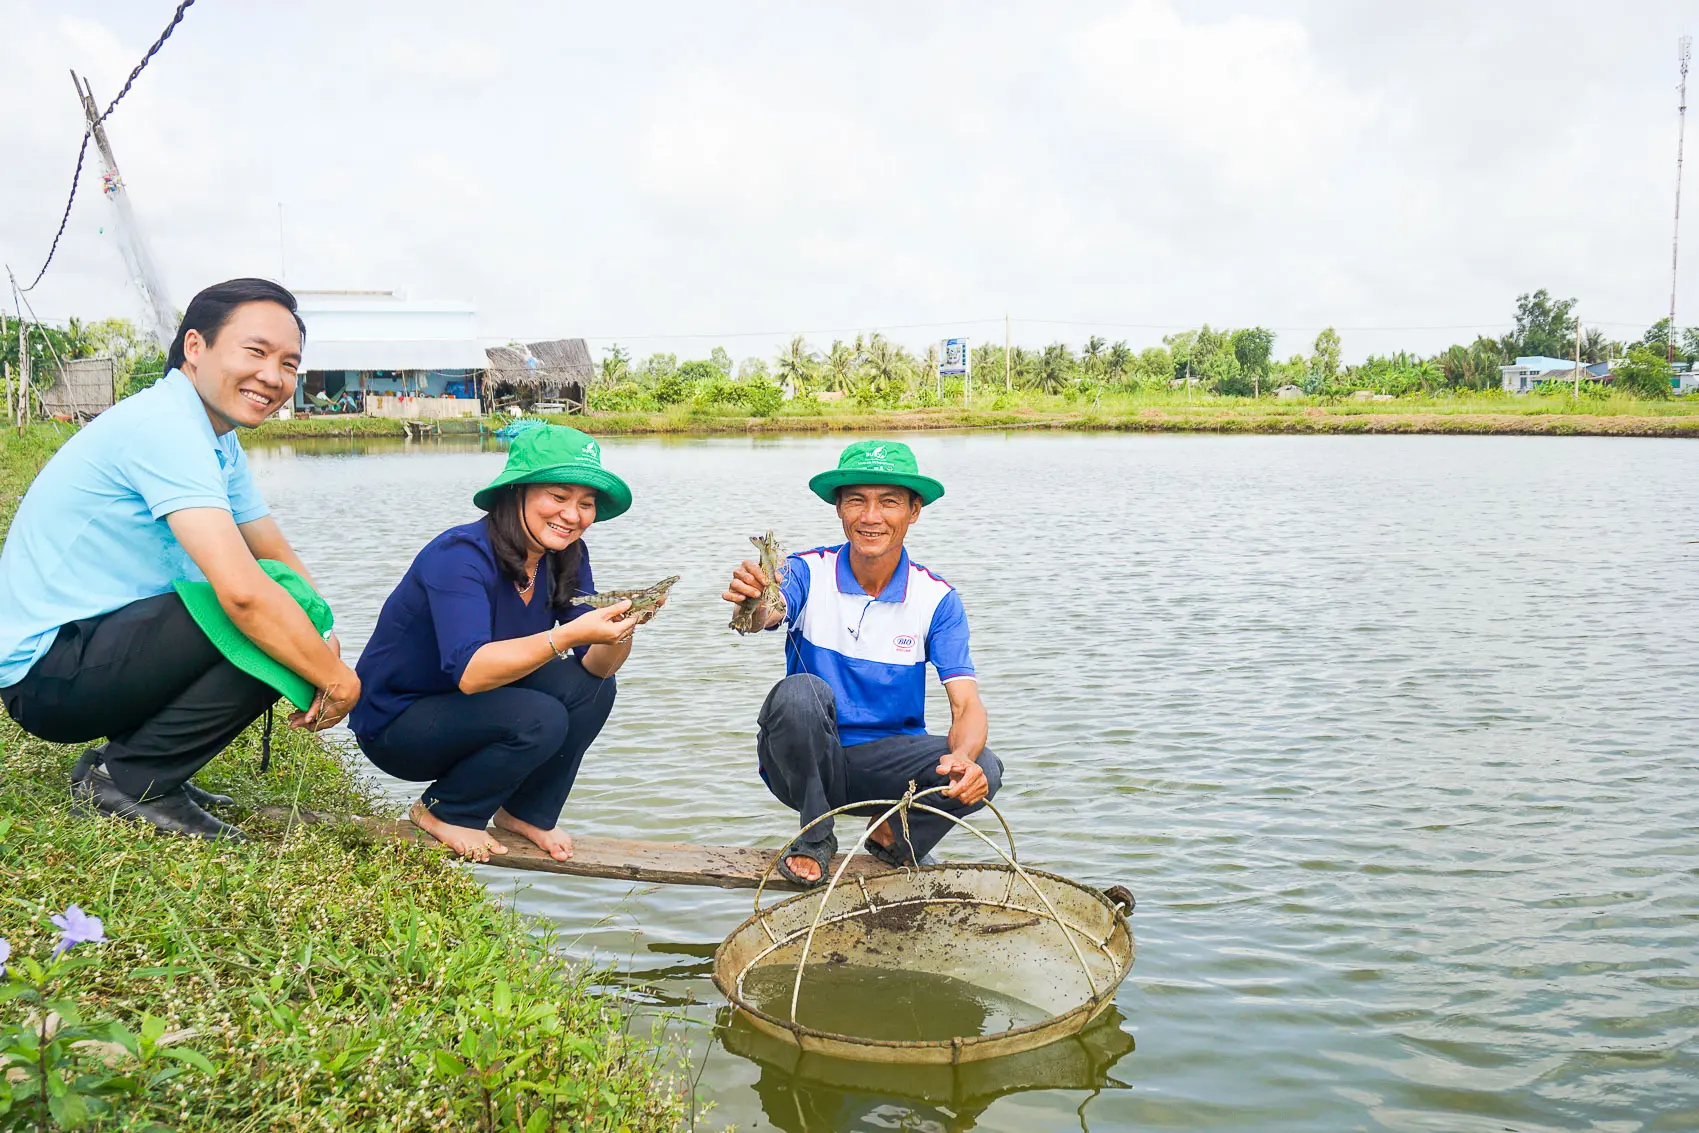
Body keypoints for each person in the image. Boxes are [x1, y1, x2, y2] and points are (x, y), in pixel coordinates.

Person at [0, 278, 357, 840]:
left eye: (289, 363)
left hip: (93, 648)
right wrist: (335, 677)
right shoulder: (164, 426)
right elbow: (242, 591)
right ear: (196, 347)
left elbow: (271, 549)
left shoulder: (214, 436)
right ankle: (130, 780)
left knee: (290, 612)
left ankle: (143, 763)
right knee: (265, 613)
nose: (274, 377)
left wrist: (323, 628)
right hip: (48, 674)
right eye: (256, 352)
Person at [349, 425, 650, 862]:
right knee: (540, 716)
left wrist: (622, 629)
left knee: (594, 690)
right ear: (516, 493)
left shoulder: (566, 554)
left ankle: (527, 811)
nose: (573, 515)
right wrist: (566, 634)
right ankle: (444, 811)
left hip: (477, 706)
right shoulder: (460, 555)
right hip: (398, 723)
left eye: (586, 504)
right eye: (559, 496)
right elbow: (472, 674)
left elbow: (597, 667)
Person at [722, 439, 1003, 885]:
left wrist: (965, 759)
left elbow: (966, 705)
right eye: (857, 501)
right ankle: (815, 836)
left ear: (914, 511)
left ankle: (893, 838)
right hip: (803, 760)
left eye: (888, 502)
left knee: (985, 765)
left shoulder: (937, 600)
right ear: (839, 509)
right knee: (800, 693)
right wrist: (753, 602)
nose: (870, 517)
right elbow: (765, 614)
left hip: (887, 769)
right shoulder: (806, 572)